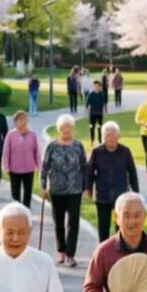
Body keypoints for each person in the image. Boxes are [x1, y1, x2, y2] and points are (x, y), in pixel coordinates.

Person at [41, 114, 87, 267]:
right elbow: (44, 167)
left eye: (69, 127)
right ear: (59, 129)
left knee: (73, 222)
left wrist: (86, 187)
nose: (66, 130)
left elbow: (84, 167)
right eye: (63, 127)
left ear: (72, 129)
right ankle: (61, 249)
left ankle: (70, 254)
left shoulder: (78, 146)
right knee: (58, 222)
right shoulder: (52, 146)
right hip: (57, 189)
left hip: (75, 189)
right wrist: (43, 186)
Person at [85, 121, 140, 241]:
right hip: (102, 194)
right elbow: (89, 171)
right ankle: (103, 251)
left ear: (118, 137)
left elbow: (132, 173)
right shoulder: (97, 152)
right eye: (107, 136)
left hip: (121, 195)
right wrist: (88, 188)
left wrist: (136, 193)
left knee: (121, 226)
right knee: (103, 226)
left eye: (113, 136)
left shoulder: (125, 152)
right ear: (103, 137)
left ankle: (120, 250)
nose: (110, 139)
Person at [2, 109, 40, 207]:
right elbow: (6, 152)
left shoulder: (32, 135)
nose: (20, 122)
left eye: (23, 119)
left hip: (29, 169)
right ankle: (17, 213)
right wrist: (6, 166)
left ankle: (26, 213)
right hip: (14, 169)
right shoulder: (10, 135)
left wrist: (39, 167)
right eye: (17, 120)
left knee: (28, 193)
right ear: (15, 122)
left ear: (26, 121)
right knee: (15, 194)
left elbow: (37, 152)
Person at [86, 79, 107, 145]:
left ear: (99, 87)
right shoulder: (91, 95)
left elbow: (104, 103)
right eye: (94, 86)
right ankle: (92, 141)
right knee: (92, 127)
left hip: (100, 114)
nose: (96, 87)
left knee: (100, 128)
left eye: (97, 86)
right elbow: (87, 105)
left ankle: (100, 141)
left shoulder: (102, 94)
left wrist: (105, 111)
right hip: (92, 114)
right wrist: (88, 112)